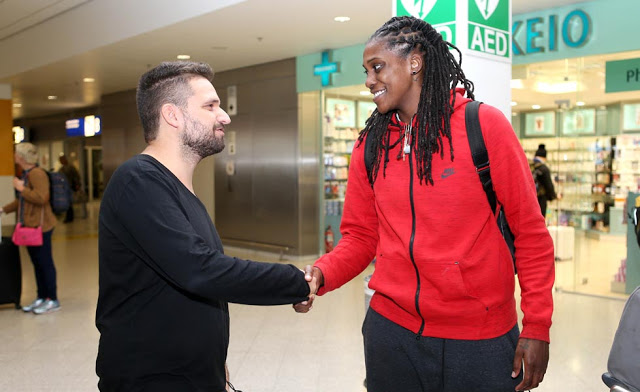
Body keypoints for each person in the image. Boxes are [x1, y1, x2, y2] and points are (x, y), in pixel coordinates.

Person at [295, 16, 555, 392]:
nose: (369, 80)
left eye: (377, 67)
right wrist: (322, 273)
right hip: (391, 333)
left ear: (415, 62)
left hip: (479, 337)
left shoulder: (484, 127)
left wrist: (537, 327)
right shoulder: (369, 147)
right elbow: (360, 236)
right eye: (366, 70)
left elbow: (531, 233)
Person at [95, 61, 316, 392]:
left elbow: (190, 290)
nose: (224, 116)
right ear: (173, 115)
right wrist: (294, 281)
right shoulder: (137, 181)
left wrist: (212, 364)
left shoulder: (178, 190)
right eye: (210, 106)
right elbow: (199, 270)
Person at [0, 142, 60, 314]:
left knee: (45, 263)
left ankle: (52, 299)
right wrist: (4, 209)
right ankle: (41, 297)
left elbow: (42, 198)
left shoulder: (37, 174)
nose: (14, 156)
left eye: (16, 153)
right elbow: (23, 200)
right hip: (31, 226)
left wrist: (21, 188)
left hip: (42, 227)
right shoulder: (27, 174)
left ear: (21, 157)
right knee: (37, 263)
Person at [532, 144, 557, 217]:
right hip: (540, 199)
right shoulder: (544, 168)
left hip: (528, 200)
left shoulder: (528, 165)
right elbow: (548, 185)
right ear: (545, 157)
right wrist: (553, 196)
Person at [58, 154, 81, 223]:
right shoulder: (62, 168)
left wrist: (77, 185)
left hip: (70, 187)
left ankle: (69, 217)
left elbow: (76, 176)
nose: (61, 161)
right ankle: (69, 217)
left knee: (69, 202)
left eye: (62, 160)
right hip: (64, 188)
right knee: (68, 202)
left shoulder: (70, 167)